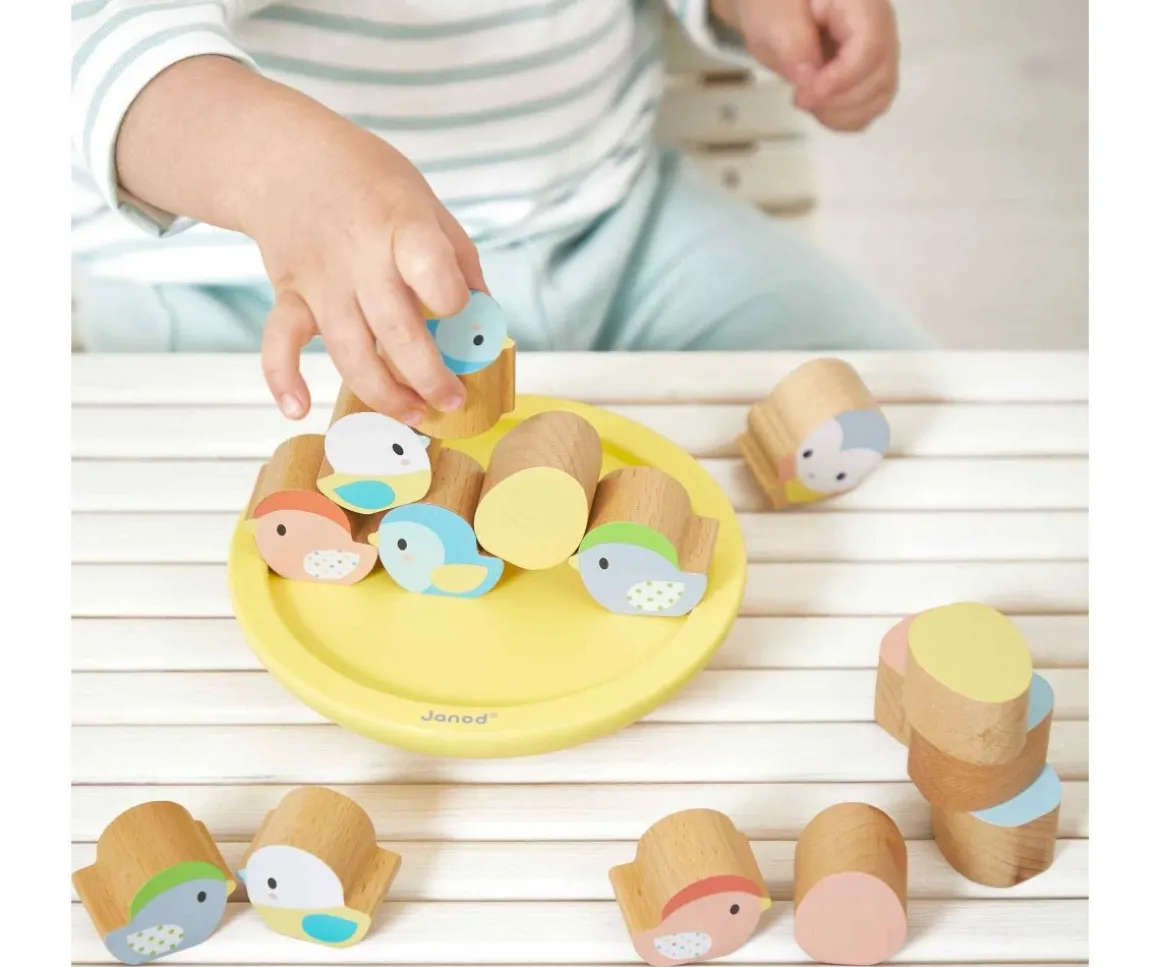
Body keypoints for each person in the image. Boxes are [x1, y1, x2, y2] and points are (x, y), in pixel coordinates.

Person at [71, 0, 931, 424]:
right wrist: (277, 173)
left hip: (617, 226)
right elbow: (88, 35)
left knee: (900, 409)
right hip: (243, 292)